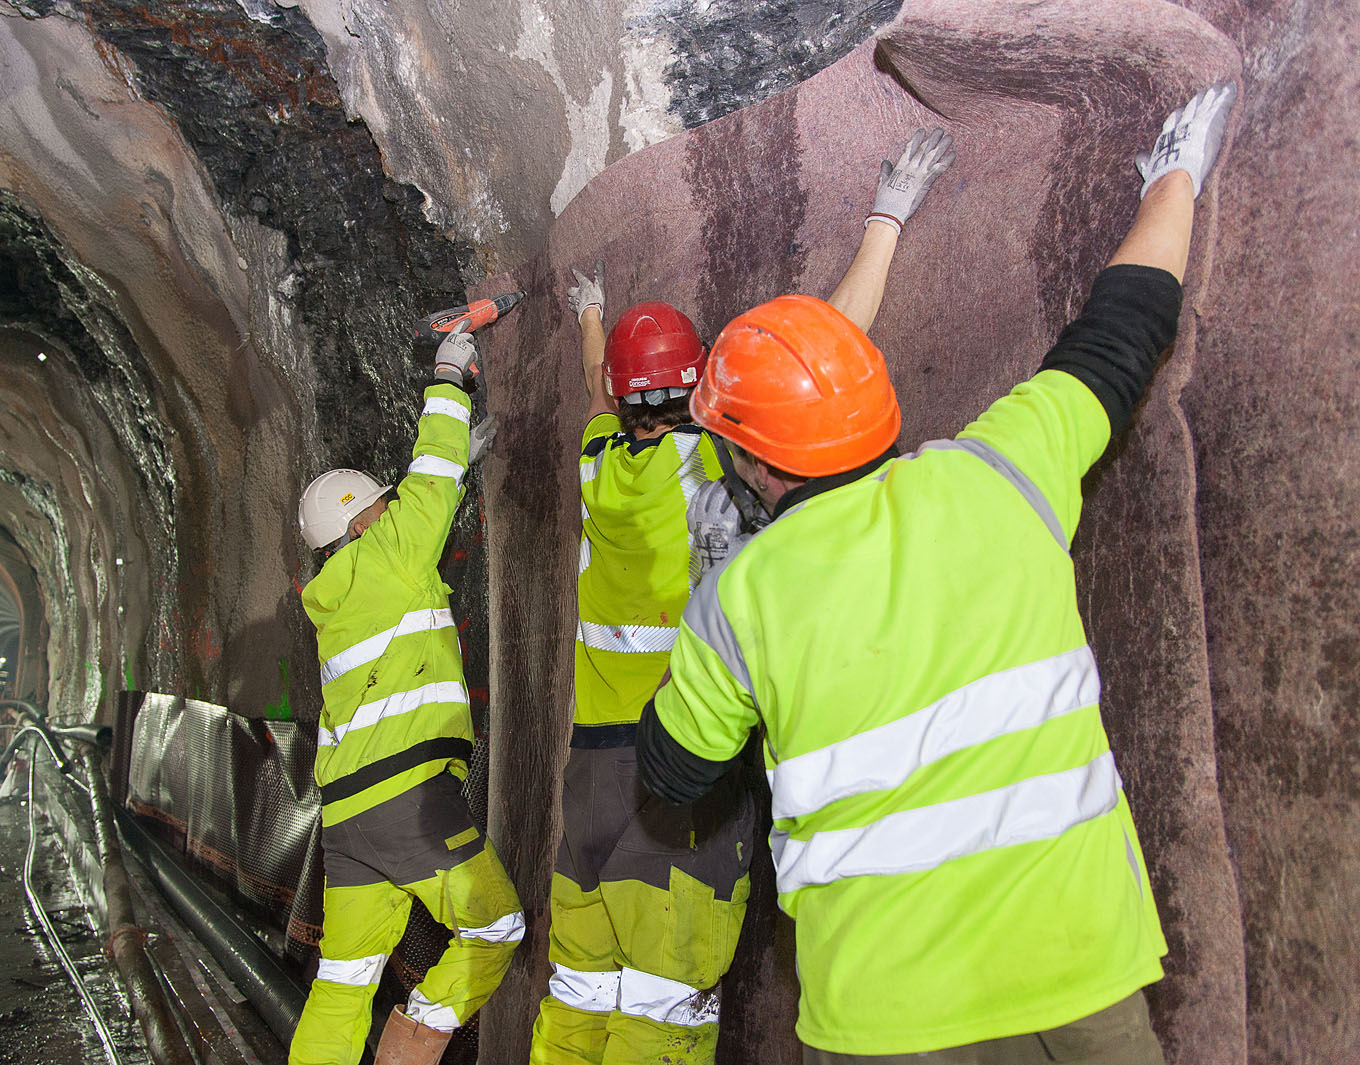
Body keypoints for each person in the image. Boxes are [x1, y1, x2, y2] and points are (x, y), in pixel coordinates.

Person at [636, 84, 1236, 1064]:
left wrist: (712, 611)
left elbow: (670, 775)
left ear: (753, 464)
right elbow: (1120, 333)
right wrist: (1175, 176)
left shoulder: (742, 600)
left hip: (886, 1014)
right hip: (1080, 968)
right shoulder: (1001, 471)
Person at [529, 129, 956, 1065]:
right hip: (677, 781)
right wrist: (885, 215)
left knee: (575, 1003)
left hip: (588, 782)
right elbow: (823, 362)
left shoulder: (601, 466)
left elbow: (602, 392)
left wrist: (591, 314)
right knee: (659, 1018)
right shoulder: (712, 470)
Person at [289, 323, 523, 1065]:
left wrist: (446, 487)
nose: (394, 511)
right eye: (382, 506)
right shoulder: (389, 555)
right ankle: (409, 1049)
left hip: (347, 820)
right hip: (407, 803)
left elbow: (426, 499)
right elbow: (429, 471)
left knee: (344, 980)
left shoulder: (333, 595)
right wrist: (451, 371)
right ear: (361, 523)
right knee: (495, 926)